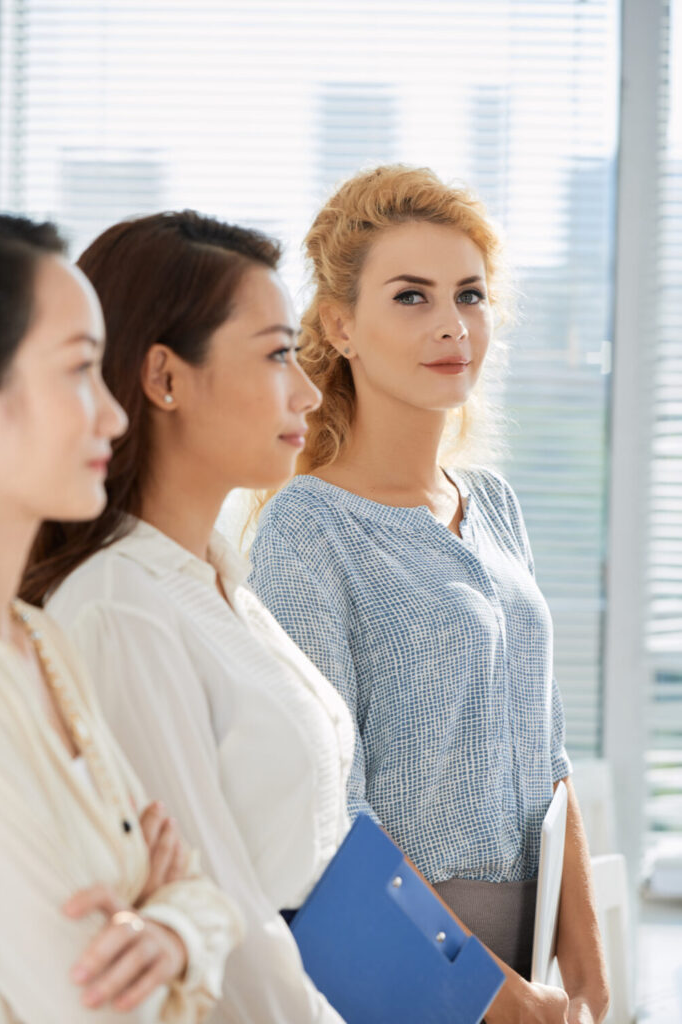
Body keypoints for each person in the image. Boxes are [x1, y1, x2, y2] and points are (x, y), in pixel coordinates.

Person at [247, 165, 611, 1024]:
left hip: (525, 972)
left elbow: (546, 760)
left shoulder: (495, 507)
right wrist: (486, 991)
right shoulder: (308, 529)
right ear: (339, 326)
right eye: (411, 297)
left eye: (470, 296)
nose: (453, 327)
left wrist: (591, 977)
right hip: (396, 972)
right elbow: (329, 810)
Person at [22, 211, 353, 1024]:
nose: (307, 392)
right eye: (278, 354)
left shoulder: (217, 581)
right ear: (165, 378)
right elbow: (223, 915)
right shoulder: (120, 611)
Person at [0, 214, 236, 1022]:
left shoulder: (41, 641)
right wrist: (168, 906)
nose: (115, 415)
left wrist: (170, 923)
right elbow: (97, 1005)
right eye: (77, 372)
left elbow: (205, 897)